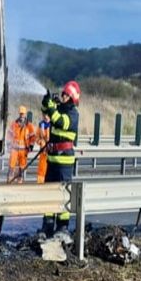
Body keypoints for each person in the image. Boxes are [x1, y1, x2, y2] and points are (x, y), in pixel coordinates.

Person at [40, 81, 81, 235]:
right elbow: (47, 112)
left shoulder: (73, 114)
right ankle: (48, 224)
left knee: (64, 194)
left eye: (66, 95)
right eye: (63, 94)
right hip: (52, 159)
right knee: (49, 192)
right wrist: (46, 101)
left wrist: (51, 107)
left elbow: (59, 121)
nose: (63, 96)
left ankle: (62, 226)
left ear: (71, 98)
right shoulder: (59, 108)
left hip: (64, 161)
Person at [6, 106, 36, 183]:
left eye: (23, 114)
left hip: (24, 150)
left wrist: (31, 146)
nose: (21, 115)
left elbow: (33, 137)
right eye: (20, 114)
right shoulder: (14, 124)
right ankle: (10, 179)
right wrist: (8, 145)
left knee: (22, 166)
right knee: (11, 164)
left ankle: (20, 180)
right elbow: (9, 134)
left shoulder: (29, 125)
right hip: (14, 149)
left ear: (25, 114)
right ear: (19, 114)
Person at [36, 113, 51, 184]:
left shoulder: (53, 125)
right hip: (43, 151)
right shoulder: (41, 125)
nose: (46, 116)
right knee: (42, 167)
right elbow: (37, 137)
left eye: (47, 115)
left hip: (51, 151)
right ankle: (40, 182)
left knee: (50, 167)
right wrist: (40, 142)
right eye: (44, 115)